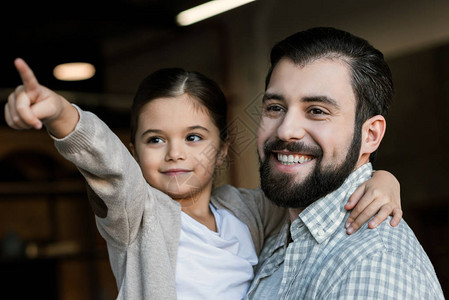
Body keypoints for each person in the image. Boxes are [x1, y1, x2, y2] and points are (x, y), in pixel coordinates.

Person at [5, 58, 402, 300]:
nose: (175, 153)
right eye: (155, 139)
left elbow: (315, 192)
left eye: (194, 137)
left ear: (224, 148)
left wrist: (381, 177)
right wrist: (59, 113)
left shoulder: (248, 210)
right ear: (133, 152)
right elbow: (105, 162)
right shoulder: (138, 217)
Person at [246, 27, 444, 299]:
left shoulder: (374, 266)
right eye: (275, 108)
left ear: (370, 135)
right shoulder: (273, 232)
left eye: (317, 111)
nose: (285, 130)